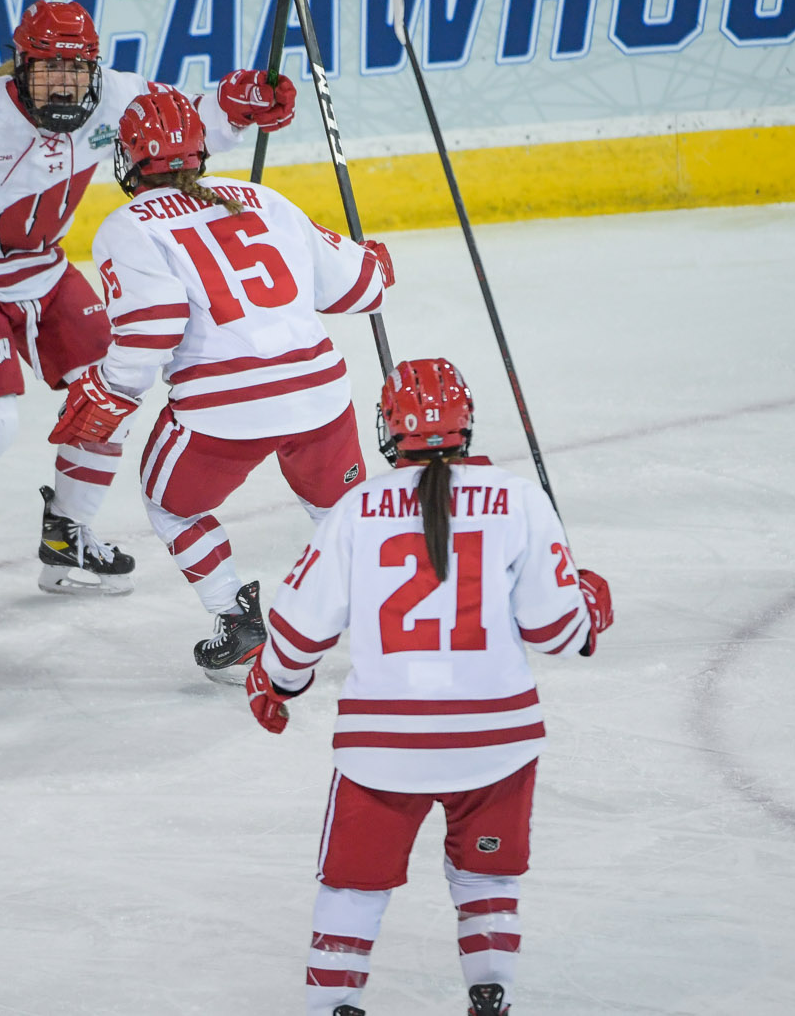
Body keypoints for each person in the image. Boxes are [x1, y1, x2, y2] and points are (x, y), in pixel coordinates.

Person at [0, 0, 295, 624]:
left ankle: (67, 538)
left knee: (109, 392)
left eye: (76, 69)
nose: (64, 82)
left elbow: (188, 122)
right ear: (20, 68)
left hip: (45, 269)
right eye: (49, 68)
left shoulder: (114, 97)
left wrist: (238, 104)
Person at [245, 358, 615, 1016]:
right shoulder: (518, 496)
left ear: (389, 429)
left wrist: (276, 683)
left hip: (382, 749)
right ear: (466, 424)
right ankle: (489, 993)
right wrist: (589, 600)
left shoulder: (356, 507)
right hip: (496, 741)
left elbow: (299, 634)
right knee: (487, 874)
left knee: (352, 888)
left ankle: (334, 1006)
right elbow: (560, 630)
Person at [47, 85, 392, 681]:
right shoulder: (261, 198)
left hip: (223, 407)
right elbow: (361, 288)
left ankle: (239, 624)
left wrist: (113, 389)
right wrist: (372, 260)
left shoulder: (126, 223)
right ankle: (400, 616)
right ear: (201, 153)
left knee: (170, 506)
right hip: (319, 393)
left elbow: (154, 324)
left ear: (128, 160)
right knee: (336, 512)